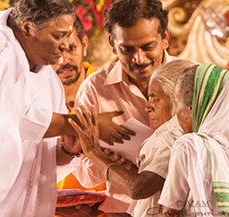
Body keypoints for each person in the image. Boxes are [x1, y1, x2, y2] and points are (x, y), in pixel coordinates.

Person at [0, 0, 133, 216]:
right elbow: (18, 120)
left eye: (68, 36)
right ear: (28, 28)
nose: (64, 45)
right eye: (57, 36)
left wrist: (69, 149)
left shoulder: (47, 76)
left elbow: (42, 155)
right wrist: (85, 124)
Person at [73, 0, 175, 215]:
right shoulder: (94, 89)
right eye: (126, 49)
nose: (138, 59)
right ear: (112, 42)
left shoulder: (191, 79)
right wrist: (109, 166)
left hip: (183, 206)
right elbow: (82, 173)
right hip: (122, 211)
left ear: (164, 38)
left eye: (148, 47)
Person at [68, 59, 194, 217]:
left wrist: (93, 151)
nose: (148, 107)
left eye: (156, 99)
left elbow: (138, 189)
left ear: (178, 99)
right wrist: (134, 171)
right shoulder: (183, 130)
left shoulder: (172, 134)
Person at [158, 63, 229, 216]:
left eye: (176, 102)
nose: (175, 113)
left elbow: (170, 210)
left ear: (192, 108)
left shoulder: (189, 146)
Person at [52, 16, 106, 217]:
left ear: (84, 44)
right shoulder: (33, 103)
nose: (64, 61)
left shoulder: (112, 92)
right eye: (55, 53)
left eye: (71, 49)